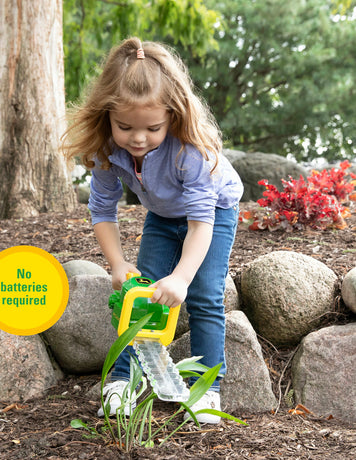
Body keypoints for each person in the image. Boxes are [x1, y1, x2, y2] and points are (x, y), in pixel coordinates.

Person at [61, 37, 243, 424]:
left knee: (204, 295)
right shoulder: (108, 150)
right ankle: (124, 381)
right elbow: (102, 211)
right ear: (107, 115)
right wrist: (117, 264)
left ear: (173, 116)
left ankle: (206, 388)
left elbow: (200, 222)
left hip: (214, 213)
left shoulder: (190, 152)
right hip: (162, 217)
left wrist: (180, 276)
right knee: (139, 295)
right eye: (125, 126)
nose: (138, 138)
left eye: (153, 128)